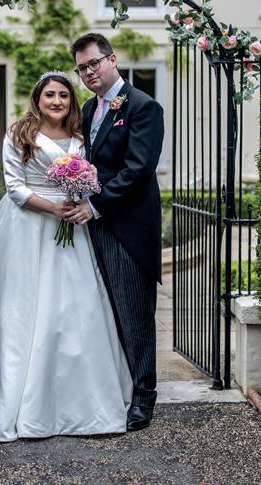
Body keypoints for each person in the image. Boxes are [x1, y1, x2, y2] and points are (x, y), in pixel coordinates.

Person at [0, 71, 131, 442]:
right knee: (19, 308)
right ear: (38, 99)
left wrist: (78, 201)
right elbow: (14, 188)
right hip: (25, 227)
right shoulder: (19, 134)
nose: (57, 101)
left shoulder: (80, 137)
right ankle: (11, 397)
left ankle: (74, 402)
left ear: (71, 101)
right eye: (50, 95)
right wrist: (54, 208)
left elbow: (90, 181)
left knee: (72, 309)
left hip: (71, 229)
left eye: (64, 95)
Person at [63, 32, 164, 432]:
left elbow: (138, 170)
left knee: (135, 315)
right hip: (95, 226)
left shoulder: (143, 106)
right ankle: (119, 386)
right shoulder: (89, 108)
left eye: (93, 63)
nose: (88, 72)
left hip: (128, 228)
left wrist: (95, 205)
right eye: (81, 68)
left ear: (112, 59)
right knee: (107, 312)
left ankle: (144, 397)